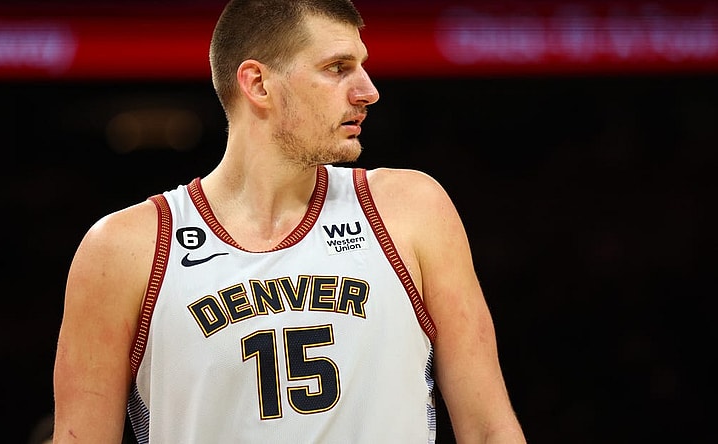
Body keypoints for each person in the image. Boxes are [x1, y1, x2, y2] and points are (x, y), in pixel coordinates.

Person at [52, 0, 526, 442]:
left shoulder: (410, 209)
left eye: (362, 67)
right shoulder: (124, 249)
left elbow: (489, 429)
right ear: (258, 84)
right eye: (337, 69)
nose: (368, 91)